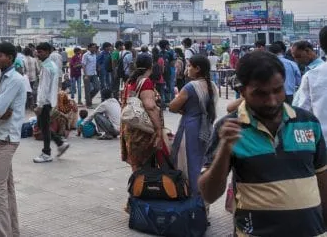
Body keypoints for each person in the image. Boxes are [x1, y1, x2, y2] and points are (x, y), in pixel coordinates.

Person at [199, 51, 327, 236]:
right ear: (242, 91)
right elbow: (208, 194)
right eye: (261, 93)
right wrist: (224, 150)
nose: (272, 101)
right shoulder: (229, 128)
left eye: (278, 90)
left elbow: (323, 180)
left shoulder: (307, 122)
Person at [0, 42, 26, 237]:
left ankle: (2, 234)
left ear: (10, 57)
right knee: (7, 188)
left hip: (7, 139)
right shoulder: (3, 77)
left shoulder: (15, 80)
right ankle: (13, 231)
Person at [168, 54, 217, 197]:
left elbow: (172, 107)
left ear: (197, 69)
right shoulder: (212, 86)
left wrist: (182, 107)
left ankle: (190, 197)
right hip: (207, 129)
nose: (187, 69)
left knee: (188, 163)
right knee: (202, 162)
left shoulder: (190, 86)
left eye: (189, 66)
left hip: (190, 129)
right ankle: (203, 200)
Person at [120, 54, 166, 173]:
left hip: (130, 128)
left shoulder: (130, 81)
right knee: (145, 165)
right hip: (142, 130)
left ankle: (137, 188)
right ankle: (142, 188)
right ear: (151, 66)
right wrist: (159, 130)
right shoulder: (145, 82)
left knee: (136, 165)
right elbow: (150, 107)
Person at [33, 42, 69, 163]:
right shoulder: (52, 65)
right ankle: (60, 143)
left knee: (44, 127)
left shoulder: (47, 67)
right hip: (49, 101)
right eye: (37, 52)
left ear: (48, 52)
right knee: (44, 126)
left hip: (45, 102)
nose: (38, 54)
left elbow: (44, 88)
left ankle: (46, 152)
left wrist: (40, 105)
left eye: (41, 52)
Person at [294, 27, 327, 135]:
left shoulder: (311, 76)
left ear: (321, 46)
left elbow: (303, 112)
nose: (297, 60)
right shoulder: (310, 75)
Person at [81, 43, 98, 108]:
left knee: (97, 87)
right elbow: (83, 65)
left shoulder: (95, 55)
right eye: (93, 47)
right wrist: (85, 75)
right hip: (87, 74)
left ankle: (88, 97)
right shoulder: (85, 55)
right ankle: (88, 104)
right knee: (87, 90)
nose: (94, 48)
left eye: (95, 47)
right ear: (89, 48)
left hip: (94, 74)